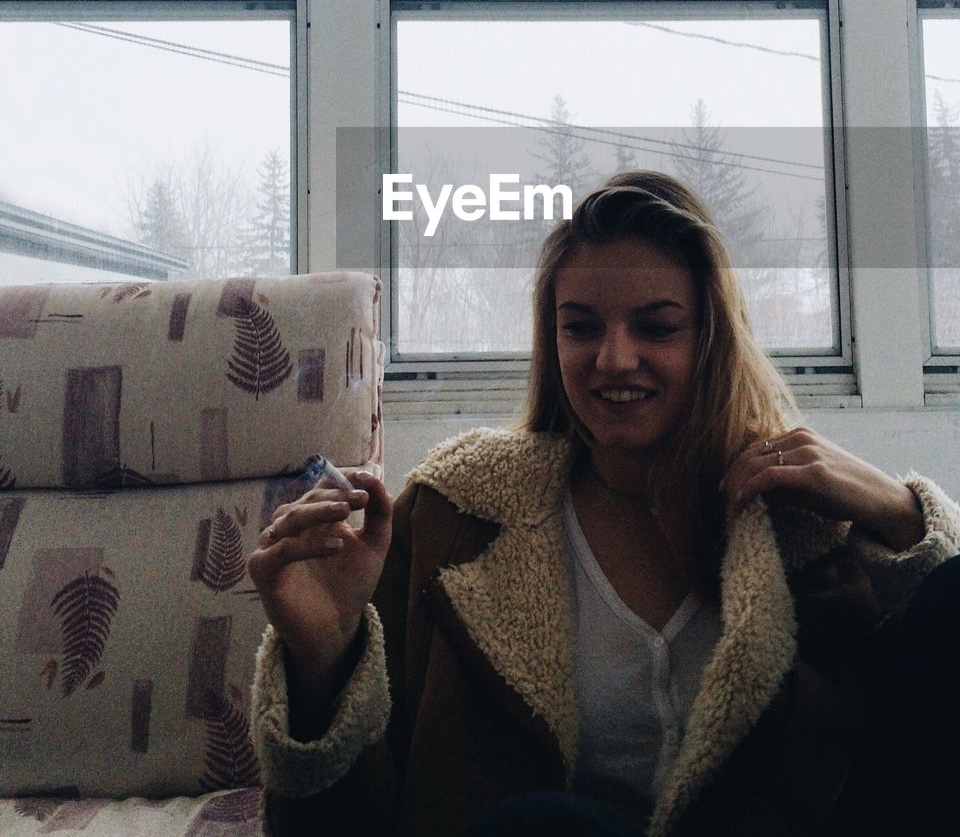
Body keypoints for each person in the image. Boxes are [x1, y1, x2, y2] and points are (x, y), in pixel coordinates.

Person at [248, 171, 960, 837]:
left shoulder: (801, 517)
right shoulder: (455, 515)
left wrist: (903, 514)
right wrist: (323, 661)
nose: (614, 360)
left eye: (656, 327)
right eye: (581, 327)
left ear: (711, 338)